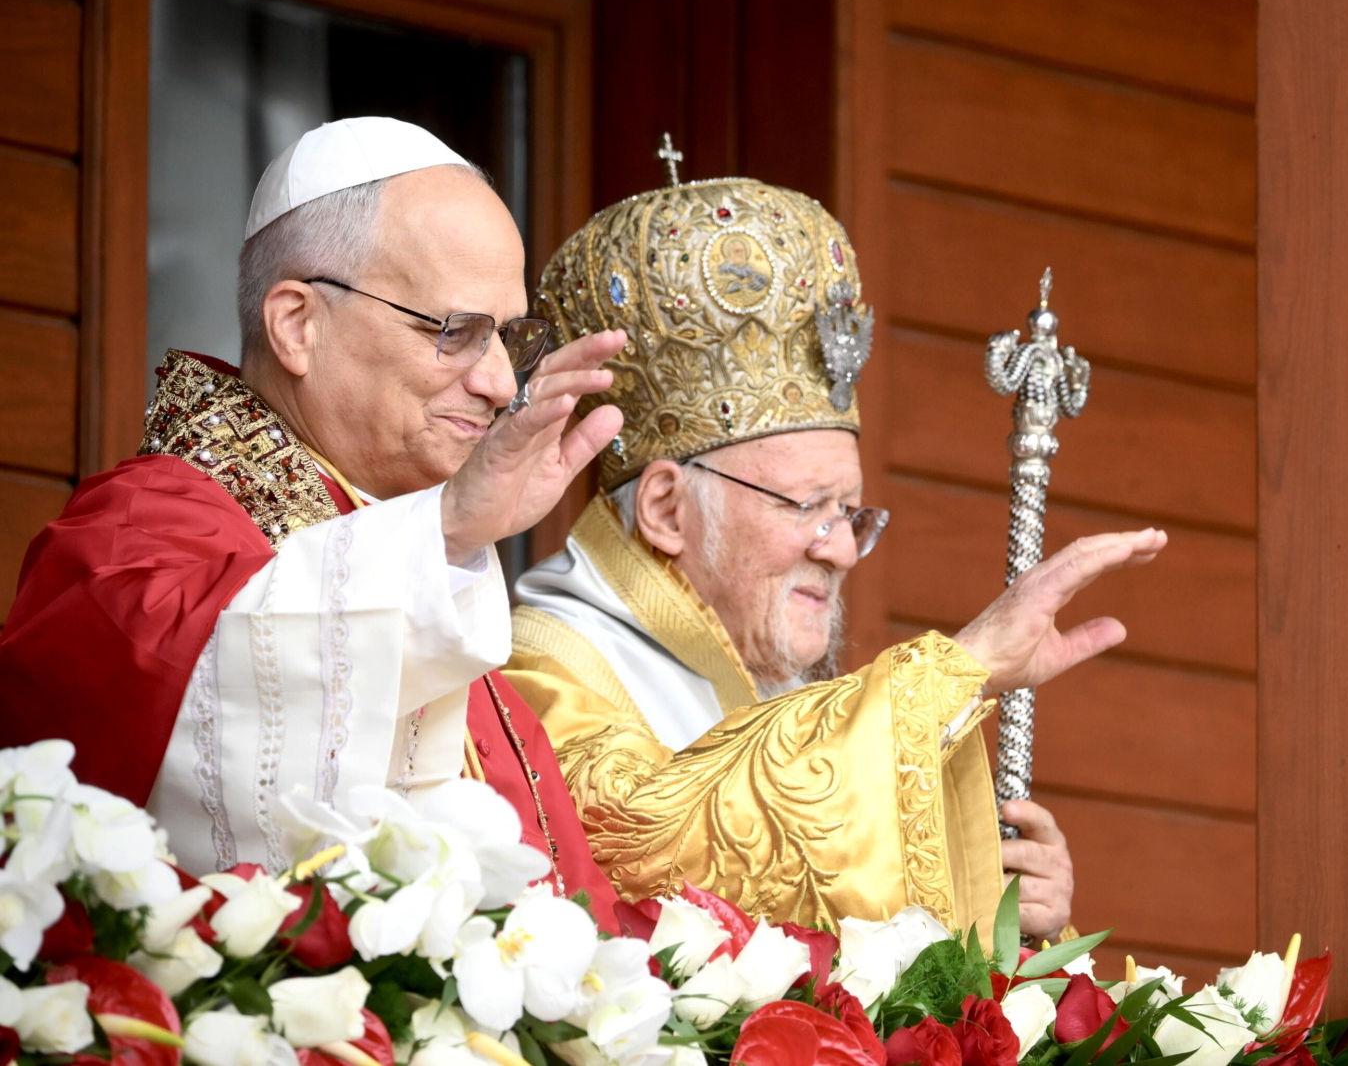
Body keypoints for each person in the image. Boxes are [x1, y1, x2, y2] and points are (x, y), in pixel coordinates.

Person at [500, 174, 1167, 940]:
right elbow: (656, 838)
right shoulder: (539, 673)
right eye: (805, 507)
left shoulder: (780, 687)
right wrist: (957, 668)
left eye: (849, 512)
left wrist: (1000, 902)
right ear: (666, 509)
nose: (845, 548)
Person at [0, 117, 626, 927]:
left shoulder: (425, 576)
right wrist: (443, 533)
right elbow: (152, 709)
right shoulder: (136, 528)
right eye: (456, 332)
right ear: (297, 323)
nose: (503, 382)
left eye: (512, 338)